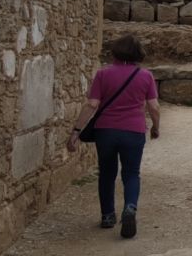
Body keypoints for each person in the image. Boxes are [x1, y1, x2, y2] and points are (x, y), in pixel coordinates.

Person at [68, 34, 160, 238]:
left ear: (115, 51)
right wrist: (155, 127)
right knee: (131, 174)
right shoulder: (145, 76)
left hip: (106, 132)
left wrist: (76, 131)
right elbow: (153, 106)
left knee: (107, 173)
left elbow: (92, 104)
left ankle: (108, 216)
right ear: (139, 54)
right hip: (134, 131)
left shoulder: (103, 74)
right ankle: (130, 207)